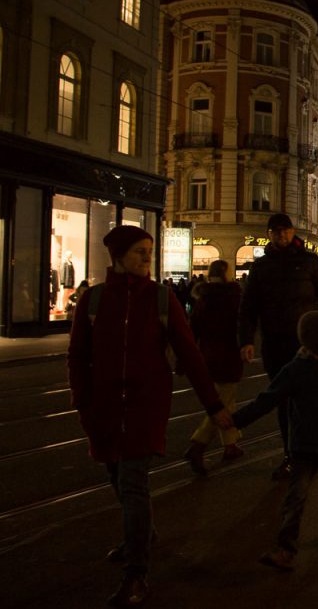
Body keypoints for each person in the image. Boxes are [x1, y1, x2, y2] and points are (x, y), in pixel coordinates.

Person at [67, 225, 231, 607]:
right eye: (140, 251)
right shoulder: (94, 300)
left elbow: (189, 354)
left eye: (148, 251)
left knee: (133, 481)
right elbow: (77, 355)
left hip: (145, 405)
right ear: (119, 256)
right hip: (103, 406)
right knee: (116, 476)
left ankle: (137, 573)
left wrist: (213, 405)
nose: (146, 258)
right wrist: (81, 400)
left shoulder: (161, 299)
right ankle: (140, 533)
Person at [233, 311, 318, 569]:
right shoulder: (295, 369)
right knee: (296, 497)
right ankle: (286, 547)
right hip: (304, 444)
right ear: (316, 339)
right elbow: (267, 399)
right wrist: (237, 420)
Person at [238, 213, 318, 480]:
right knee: (283, 401)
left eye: (285, 231)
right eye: (276, 232)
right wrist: (246, 339)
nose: (281, 235)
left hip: (307, 343)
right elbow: (248, 306)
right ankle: (291, 454)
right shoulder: (261, 266)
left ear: (293, 232)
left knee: (311, 398)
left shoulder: (309, 262)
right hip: (274, 342)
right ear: (270, 234)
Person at [184, 260, 245, 475]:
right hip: (228, 354)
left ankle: (230, 445)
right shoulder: (233, 296)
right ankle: (197, 445)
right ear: (227, 274)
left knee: (226, 400)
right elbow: (241, 325)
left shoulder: (204, 297)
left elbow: (193, 327)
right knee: (221, 404)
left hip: (207, 355)